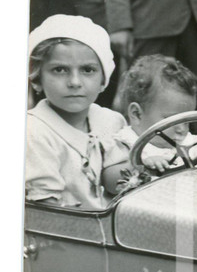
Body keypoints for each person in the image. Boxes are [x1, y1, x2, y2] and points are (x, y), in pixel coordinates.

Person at [25, 15, 124, 209]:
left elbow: (121, 182)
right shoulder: (34, 132)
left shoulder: (111, 121)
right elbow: (48, 213)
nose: (75, 82)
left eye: (87, 70)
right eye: (60, 70)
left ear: (103, 79)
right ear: (37, 78)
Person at [101, 54, 197, 190]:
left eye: (187, 121)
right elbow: (108, 181)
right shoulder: (125, 143)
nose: (182, 129)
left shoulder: (186, 144)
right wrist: (140, 167)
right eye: (171, 120)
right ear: (137, 114)